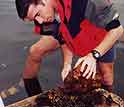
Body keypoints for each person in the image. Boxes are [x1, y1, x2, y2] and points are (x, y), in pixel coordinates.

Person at [15, 0, 123, 97]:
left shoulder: (85, 2)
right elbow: (63, 38)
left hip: (100, 32)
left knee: (106, 76)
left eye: (38, 14)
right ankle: (25, 84)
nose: (40, 21)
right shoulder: (45, 17)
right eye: (34, 19)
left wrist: (93, 55)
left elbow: (117, 30)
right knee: (35, 51)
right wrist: (67, 63)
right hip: (75, 35)